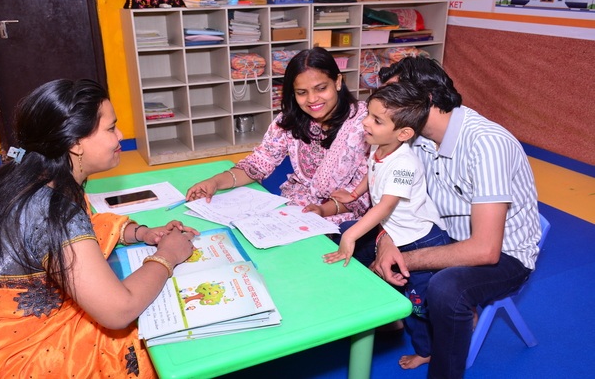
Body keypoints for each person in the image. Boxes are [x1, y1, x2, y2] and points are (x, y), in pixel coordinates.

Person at [0, 79, 199, 378]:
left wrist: (140, 233)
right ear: (75, 143)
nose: (121, 136)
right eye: (111, 128)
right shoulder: (54, 210)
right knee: (154, 340)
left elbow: (81, 231)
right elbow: (118, 311)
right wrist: (167, 256)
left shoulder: (33, 175)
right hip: (13, 355)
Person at [372, 57, 542, 378]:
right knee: (356, 237)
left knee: (446, 289)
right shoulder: (414, 136)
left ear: (427, 99)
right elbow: (396, 203)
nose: (385, 107)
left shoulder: (487, 143)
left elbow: (485, 250)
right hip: (444, 235)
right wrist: (385, 242)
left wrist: (403, 259)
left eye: (395, 98)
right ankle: (384, 324)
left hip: (504, 254)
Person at [324, 81, 452, 369]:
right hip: (393, 234)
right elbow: (371, 172)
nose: (365, 123)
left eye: (376, 120)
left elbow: (384, 206)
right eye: (368, 115)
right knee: (349, 243)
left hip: (421, 240)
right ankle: (386, 314)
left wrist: (352, 236)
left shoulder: (404, 164)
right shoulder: (380, 144)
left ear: (403, 133)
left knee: (418, 304)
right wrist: (354, 194)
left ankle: (426, 350)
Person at [186, 47, 370, 225]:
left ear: (338, 82)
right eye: (302, 92)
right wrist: (214, 182)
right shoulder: (290, 120)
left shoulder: (366, 125)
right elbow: (259, 163)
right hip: (295, 207)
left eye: (321, 88)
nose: (312, 99)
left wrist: (322, 211)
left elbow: (362, 192)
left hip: (340, 215)